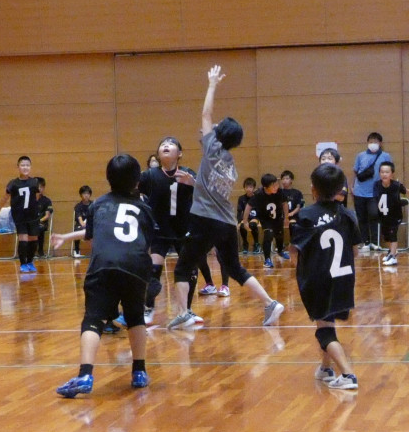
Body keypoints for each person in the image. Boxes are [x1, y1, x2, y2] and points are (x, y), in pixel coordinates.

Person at [168, 64, 284, 329]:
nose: (214, 124)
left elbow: (206, 113)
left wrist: (212, 84)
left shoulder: (212, 148)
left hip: (205, 220)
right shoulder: (230, 164)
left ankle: (184, 314)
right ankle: (270, 303)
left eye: (218, 125)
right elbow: (213, 189)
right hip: (227, 223)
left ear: (220, 135)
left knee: (183, 267)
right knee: (234, 268)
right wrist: (194, 182)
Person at [51, 154, 156, 398]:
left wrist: (66, 237)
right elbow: (146, 243)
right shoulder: (144, 209)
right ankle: (139, 372)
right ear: (137, 180)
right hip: (135, 266)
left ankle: (85, 375)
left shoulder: (98, 204)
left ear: (108, 178)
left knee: (93, 319)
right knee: (135, 318)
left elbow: (93, 234)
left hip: (103, 266)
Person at [290, 163, 361, 390]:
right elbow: (355, 251)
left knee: (324, 330)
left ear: (313, 189)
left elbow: (294, 252)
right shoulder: (348, 215)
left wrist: (304, 274)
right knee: (328, 321)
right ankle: (325, 368)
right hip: (344, 278)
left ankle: (348, 374)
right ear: (341, 189)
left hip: (318, 280)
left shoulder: (306, 215)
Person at [138, 136, 202, 325]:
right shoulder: (149, 176)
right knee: (153, 268)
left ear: (179, 153)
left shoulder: (188, 173)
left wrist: (193, 184)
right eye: (162, 144)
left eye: (171, 144)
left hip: (183, 230)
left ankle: (186, 310)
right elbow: (133, 191)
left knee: (190, 270)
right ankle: (148, 308)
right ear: (158, 154)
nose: (166, 145)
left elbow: (204, 195)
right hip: (159, 230)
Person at [0, 155, 39, 273]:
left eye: (27, 165)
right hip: (19, 216)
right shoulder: (13, 183)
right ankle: (23, 263)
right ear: (18, 167)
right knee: (23, 240)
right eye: (22, 165)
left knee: (33, 239)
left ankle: (30, 261)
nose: (25, 167)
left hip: (32, 216)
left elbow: (36, 197)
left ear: (30, 167)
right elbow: (5, 197)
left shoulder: (34, 182)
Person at [352, 132, 392, 251]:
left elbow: (389, 172)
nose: (373, 144)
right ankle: (365, 242)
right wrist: (352, 187)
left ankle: (375, 242)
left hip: (375, 192)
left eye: (375, 142)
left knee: (374, 215)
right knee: (362, 218)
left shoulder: (385, 156)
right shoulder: (360, 156)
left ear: (380, 143)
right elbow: (355, 172)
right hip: (359, 192)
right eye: (370, 142)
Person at [243, 173, 289, 268]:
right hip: (265, 219)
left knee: (279, 235)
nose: (276, 187)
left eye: (277, 184)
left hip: (278, 218)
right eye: (273, 185)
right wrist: (245, 221)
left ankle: (280, 251)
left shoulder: (280, 192)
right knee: (268, 235)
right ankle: (267, 259)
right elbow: (249, 206)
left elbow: (285, 203)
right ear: (266, 187)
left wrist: (286, 217)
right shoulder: (258, 194)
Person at [373, 161, 407, 266]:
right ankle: (391, 251)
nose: (384, 174)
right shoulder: (377, 185)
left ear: (392, 173)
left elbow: (405, 191)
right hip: (383, 215)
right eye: (382, 172)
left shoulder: (397, 185)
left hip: (395, 216)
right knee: (386, 236)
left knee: (393, 235)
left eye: (387, 172)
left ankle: (393, 257)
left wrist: (401, 201)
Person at [237, 177, 260, 254]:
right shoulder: (241, 198)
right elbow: (239, 211)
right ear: (244, 188)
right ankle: (245, 244)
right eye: (246, 187)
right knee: (242, 226)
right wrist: (239, 222)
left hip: (255, 217)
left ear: (254, 188)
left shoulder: (257, 198)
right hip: (245, 218)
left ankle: (256, 243)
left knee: (252, 224)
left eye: (250, 187)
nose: (248, 189)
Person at [280, 170, 304, 236]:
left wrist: (291, 213)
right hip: (281, 216)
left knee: (293, 225)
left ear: (291, 180)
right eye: (283, 179)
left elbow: (298, 207)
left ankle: (293, 241)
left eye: (287, 178)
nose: (284, 181)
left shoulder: (297, 193)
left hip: (293, 216)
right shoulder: (278, 192)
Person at [35, 177, 53, 257]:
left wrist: (38, 221)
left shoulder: (46, 201)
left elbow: (47, 215)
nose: (40, 189)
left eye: (41, 187)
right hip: (30, 222)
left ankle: (40, 250)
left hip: (41, 223)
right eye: (38, 187)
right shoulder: (29, 200)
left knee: (39, 228)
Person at [73, 185, 93, 258]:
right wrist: (83, 224)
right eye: (84, 193)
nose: (86, 195)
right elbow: (79, 219)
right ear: (81, 195)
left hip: (92, 224)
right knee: (76, 230)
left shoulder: (94, 205)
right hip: (81, 225)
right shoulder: (78, 206)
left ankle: (96, 251)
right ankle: (76, 250)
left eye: (88, 193)